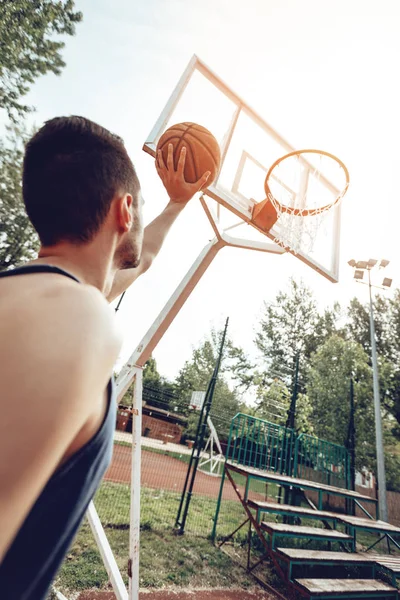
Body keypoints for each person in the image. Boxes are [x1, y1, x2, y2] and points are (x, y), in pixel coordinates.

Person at [0, 116, 210, 600]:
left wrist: (180, 202)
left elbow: (146, 254)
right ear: (125, 210)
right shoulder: (78, 314)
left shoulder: (44, 293)